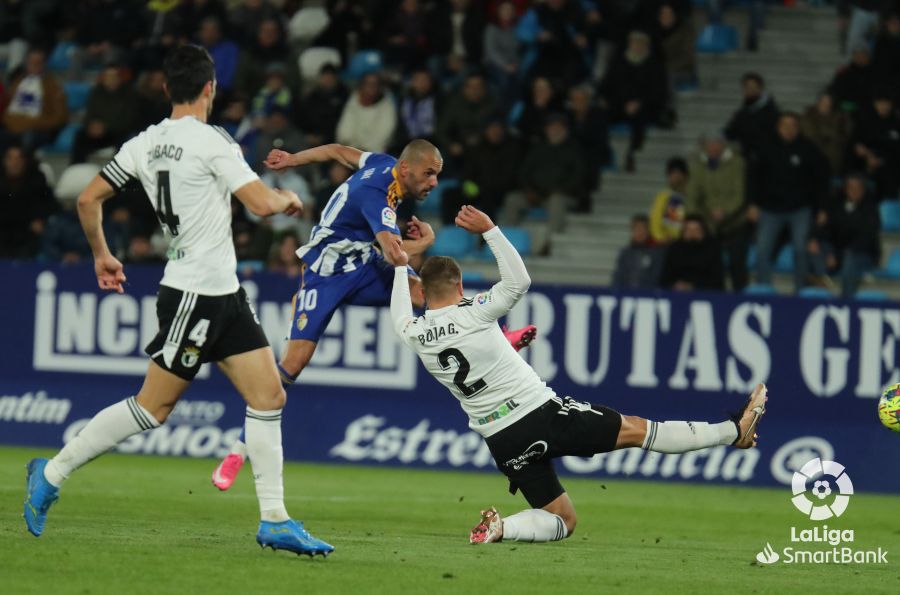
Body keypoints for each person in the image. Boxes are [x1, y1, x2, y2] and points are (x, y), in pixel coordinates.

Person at [22, 45, 334, 557]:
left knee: (268, 397)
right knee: (153, 408)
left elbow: (86, 198)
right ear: (210, 88)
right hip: (194, 295)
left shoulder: (145, 143)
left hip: (223, 294)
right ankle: (50, 473)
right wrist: (288, 199)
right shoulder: (214, 141)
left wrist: (102, 254)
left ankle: (275, 519)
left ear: (167, 90)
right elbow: (259, 206)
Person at [389, 204, 767, 544]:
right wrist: (490, 229)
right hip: (541, 415)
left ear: (422, 292)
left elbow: (401, 315)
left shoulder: (415, 333)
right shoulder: (477, 311)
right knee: (637, 429)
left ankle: (502, 528)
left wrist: (400, 265)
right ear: (458, 284)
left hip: (500, 439)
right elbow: (519, 282)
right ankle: (733, 431)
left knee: (562, 520)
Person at [210, 139, 537, 490]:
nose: (434, 183)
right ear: (407, 168)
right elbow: (396, 255)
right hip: (327, 273)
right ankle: (237, 451)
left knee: (425, 293)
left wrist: (293, 158)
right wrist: (425, 243)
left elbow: (337, 150)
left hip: (364, 261)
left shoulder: (382, 164)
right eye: (429, 174)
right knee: (293, 364)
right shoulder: (375, 195)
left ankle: (499, 337)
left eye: (437, 175)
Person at [751, 112, 829, 292]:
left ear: (798, 128)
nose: (788, 129)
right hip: (771, 208)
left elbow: (821, 181)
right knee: (762, 249)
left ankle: (800, 289)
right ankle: (764, 290)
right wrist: (752, 203)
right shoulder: (766, 147)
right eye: (785, 125)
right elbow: (754, 177)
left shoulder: (809, 150)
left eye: (793, 125)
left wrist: (822, 208)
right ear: (778, 127)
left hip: (800, 209)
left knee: (801, 249)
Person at [687, 134, 750, 290]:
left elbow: (740, 194)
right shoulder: (698, 167)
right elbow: (692, 195)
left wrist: (725, 211)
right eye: (710, 145)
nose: (713, 148)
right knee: (709, 263)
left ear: (723, 146)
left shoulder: (737, 164)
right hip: (709, 224)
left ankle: (739, 296)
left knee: (737, 262)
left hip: (735, 223)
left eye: (716, 144)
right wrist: (697, 220)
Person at [808, 173, 881, 298]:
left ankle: (846, 299)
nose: (853, 191)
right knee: (814, 246)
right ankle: (823, 282)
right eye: (850, 187)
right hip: (837, 251)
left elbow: (864, 239)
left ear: (863, 189)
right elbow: (826, 228)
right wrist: (814, 238)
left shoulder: (871, 209)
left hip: (862, 254)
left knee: (850, 259)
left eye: (857, 187)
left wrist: (837, 256)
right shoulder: (837, 205)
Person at [659, 214, 725, 291]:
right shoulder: (674, 249)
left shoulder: (713, 248)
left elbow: (717, 279)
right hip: (675, 294)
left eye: (696, 230)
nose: (692, 233)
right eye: (688, 230)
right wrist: (675, 285)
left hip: (705, 294)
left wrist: (692, 286)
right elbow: (664, 278)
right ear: (683, 232)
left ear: (703, 231)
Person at [612, 214, 664, 289]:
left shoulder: (656, 253)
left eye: (643, 229)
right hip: (625, 295)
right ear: (632, 231)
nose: (640, 232)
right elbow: (618, 276)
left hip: (647, 296)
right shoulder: (625, 253)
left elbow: (657, 278)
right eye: (636, 229)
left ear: (648, 231)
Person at [649, 157, 688, 244]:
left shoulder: (691, 196)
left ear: (685, 176)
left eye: (679, 173)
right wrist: (660, 237)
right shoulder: (663, 196)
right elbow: (655, 220)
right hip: (667, 242)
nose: (676, 177)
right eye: (672, 174)